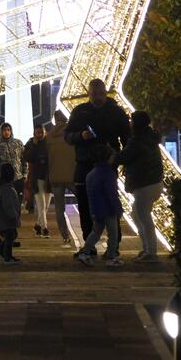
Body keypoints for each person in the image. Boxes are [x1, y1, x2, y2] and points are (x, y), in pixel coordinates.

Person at [64, 79, 131, 243]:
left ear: (106, 92)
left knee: (110, 201)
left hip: (108, 165)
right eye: (94, 94)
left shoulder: (116, 112)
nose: (98, 97)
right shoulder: (80, 112)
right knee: (85, 204)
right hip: (85, 163)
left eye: (101, 94)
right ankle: (89, 242)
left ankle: (114, 242)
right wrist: (81, 136)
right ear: (89, 93)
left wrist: (119, 158)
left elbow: (127, 138)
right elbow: (68, 136)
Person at [115, 111, 164, 262]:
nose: (129, 123)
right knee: (137, 215)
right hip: (154, 182)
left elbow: (123, 156)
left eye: (131, 121)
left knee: (144, 217)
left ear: (137, 123)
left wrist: (111, 155)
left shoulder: (137, 139)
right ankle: (147, 249)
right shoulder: (150, 137)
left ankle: (151, 252)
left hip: (144, 184)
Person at [75, 142, 123, 267]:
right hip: (109, 209)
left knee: (95, 232)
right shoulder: (109, 174)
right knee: (113, 234)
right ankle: (111, 256)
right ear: (107, 157)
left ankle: (85, 252)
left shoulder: (91, 174)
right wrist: (118, 208)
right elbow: (112, 194)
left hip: (96, 209)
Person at [46, 109, 77, 247]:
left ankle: (65, 237)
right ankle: (91, 231)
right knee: (85, 202)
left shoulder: (49, 136)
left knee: (59, 208)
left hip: (55, 176)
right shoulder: (72, 134)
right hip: (72, 175)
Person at [23, 123, 51, 238]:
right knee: (41, 205)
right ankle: (44, 229)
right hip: (36, 178)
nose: (39, 134)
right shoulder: (30, 143)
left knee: (46, 206)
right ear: (34, 133)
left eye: (41, 132)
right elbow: (27, 157)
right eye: (37, 132)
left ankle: (38, 226)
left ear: (45, 132)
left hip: (49, 178)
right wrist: (34, 146)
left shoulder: (49, 143)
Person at [0, 163, 22, 265]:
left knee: (11, 235)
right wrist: (14, 216)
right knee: (10, 236)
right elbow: (8, 205)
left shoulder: (1, 188)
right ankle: (7, 257)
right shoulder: (7, 189)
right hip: (6, 219)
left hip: (1, 218)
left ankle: (1, 251)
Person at [0, 123, 25, 210]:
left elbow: (24, 160)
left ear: (11, 131)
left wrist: (25, 175)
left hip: (17, 177)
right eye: (4, 130)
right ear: (1, 132)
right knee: (5, 203)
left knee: (17, 202)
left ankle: (16, 220)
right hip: (2, 179)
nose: (6, 132)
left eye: (8, 130)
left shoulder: (18, 143)